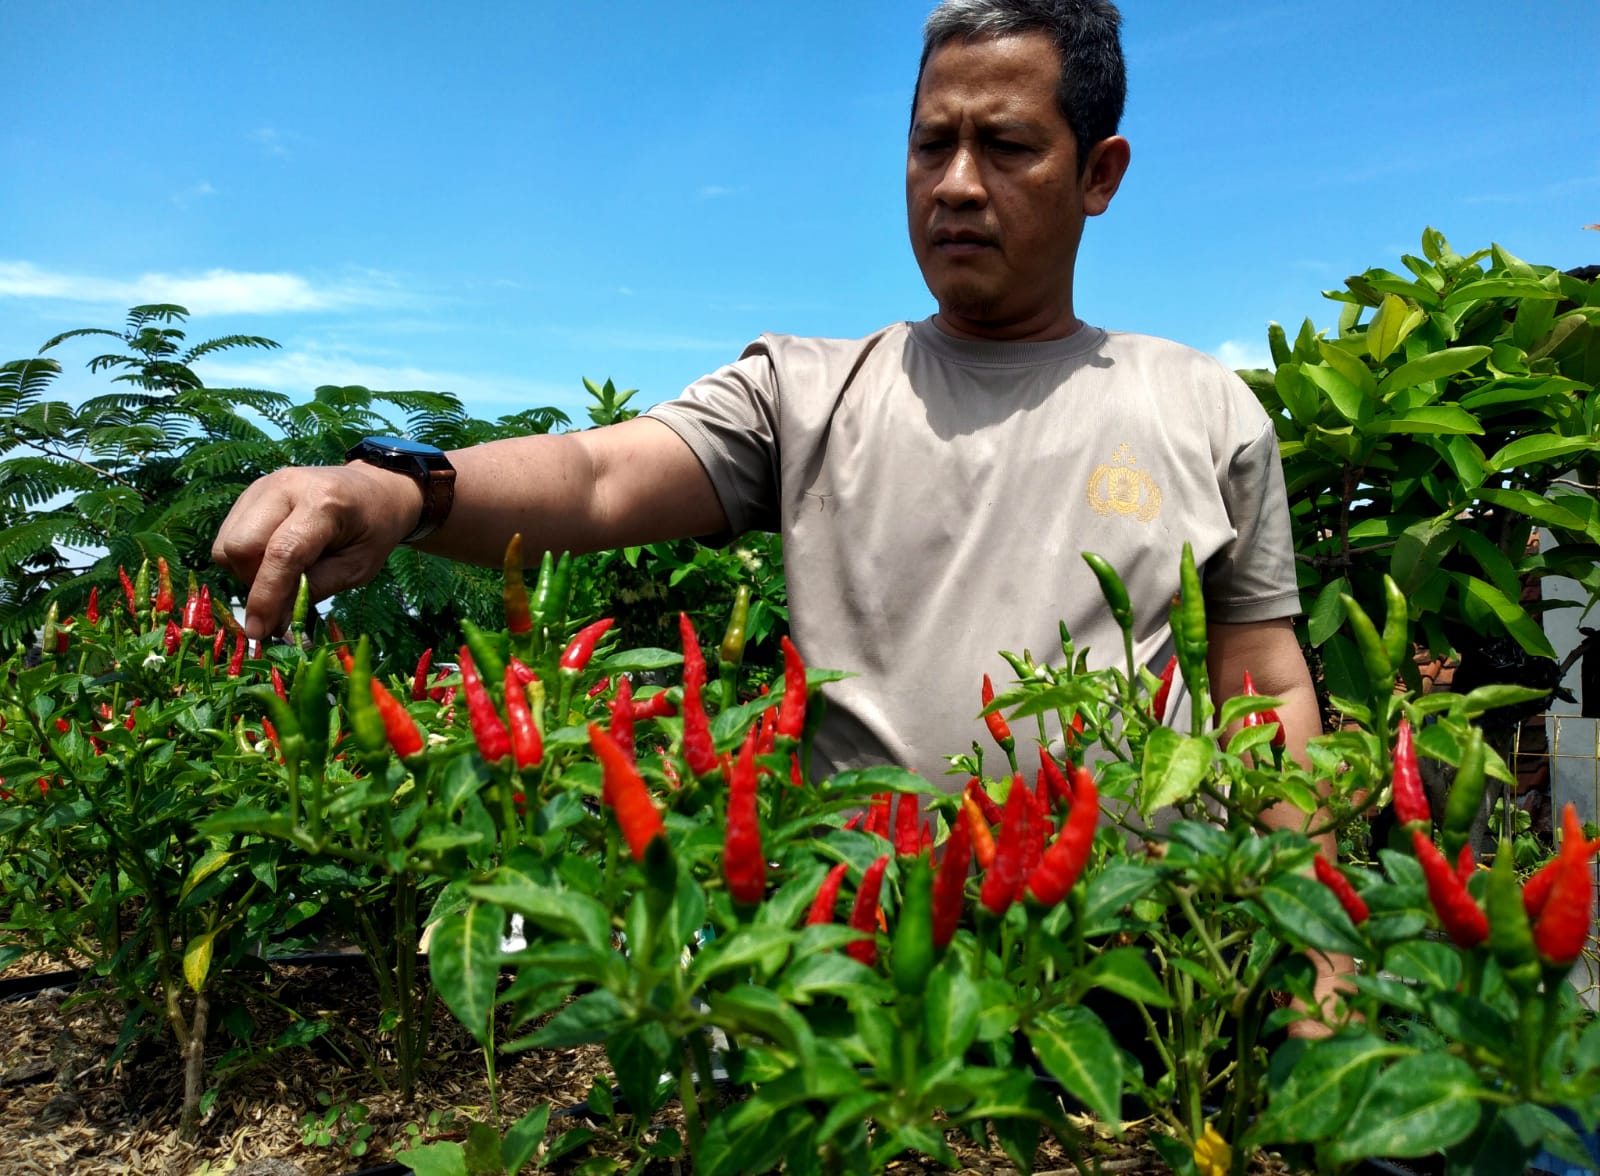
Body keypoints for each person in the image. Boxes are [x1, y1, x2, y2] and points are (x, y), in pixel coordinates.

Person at [215, 0, 1343, 1028]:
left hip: (1140, 979)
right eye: (929, 143)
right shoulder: (804, 392)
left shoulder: (1200, 407)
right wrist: (403, 485)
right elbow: (600, 476)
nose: (955, 183)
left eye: (1004, 147)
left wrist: (1318, 956)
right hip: (850, 986)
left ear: (1097, 174)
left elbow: (1266, 683)